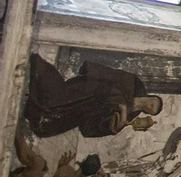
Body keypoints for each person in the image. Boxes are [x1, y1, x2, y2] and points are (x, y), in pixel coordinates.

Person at [23, 54, 162, 140]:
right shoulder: (134, 84)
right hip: (89, 92)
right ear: (151, 97)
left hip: (89, 111)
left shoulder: (132, 116)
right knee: (56, 98)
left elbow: (103, 125)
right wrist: (122, 107)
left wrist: (112, 127)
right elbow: (111, 77)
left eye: (151, 110)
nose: (149, 107)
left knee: (50, 126)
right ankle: (38, 66)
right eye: (152, 104)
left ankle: (31, 103)